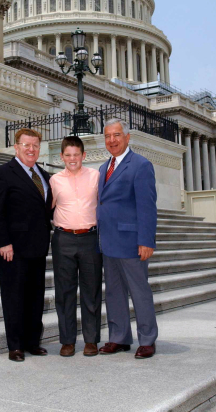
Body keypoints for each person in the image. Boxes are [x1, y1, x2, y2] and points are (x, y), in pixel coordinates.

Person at [0, 128, 53, 362]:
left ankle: (32, 341)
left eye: (35, 145)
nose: (31, 149)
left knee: (35, 296)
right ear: (16, 147)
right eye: (26, 145)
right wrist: (3, 242)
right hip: (13, 248)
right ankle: (15, 345)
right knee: (14, 296)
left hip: (38, 246)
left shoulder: (44, 176)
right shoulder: (2, 173)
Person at [97, 118, 158, 358]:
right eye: (107, 136)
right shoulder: (103, 168)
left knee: (139, 291)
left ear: (127, 137)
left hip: (132, 242)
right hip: (108, 241)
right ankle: (119, 338)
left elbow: (147, 206)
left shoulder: (140, 165)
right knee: (113, 292)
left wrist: (146, 240)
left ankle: (147, 340)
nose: (112, 140)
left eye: (116, 135)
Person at [50, 136, 102, 357]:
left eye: (76, 155)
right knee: (65, 292)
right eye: (68, 155)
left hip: (90, 238)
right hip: (63, 240)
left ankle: (91, 340)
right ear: (61, 157)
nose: (72, 159)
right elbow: (45, 209)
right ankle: (67, 341)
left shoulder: (96, 177)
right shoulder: (54, 180)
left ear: (84, 156)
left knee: (91, 291)